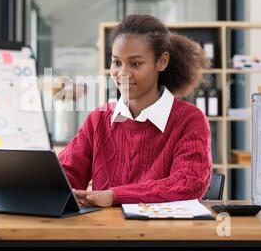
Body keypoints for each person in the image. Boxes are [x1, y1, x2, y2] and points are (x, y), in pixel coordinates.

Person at [58, 14, 212, 207]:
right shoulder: (98, 119)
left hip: (165, 234)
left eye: (135, 64)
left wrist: (115, 196)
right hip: (105, 233)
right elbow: (65, 174)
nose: (122, 73)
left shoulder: (190, 120)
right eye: (117, 62)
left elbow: (188, 184)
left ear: (161, 62)